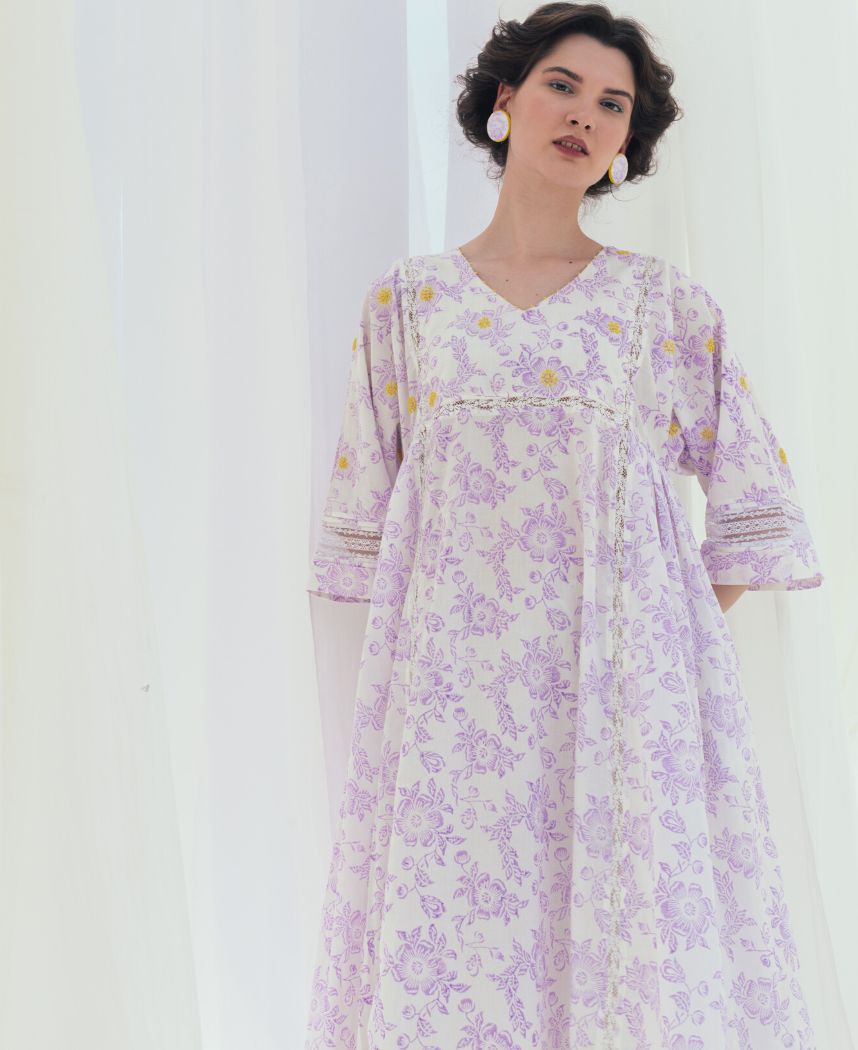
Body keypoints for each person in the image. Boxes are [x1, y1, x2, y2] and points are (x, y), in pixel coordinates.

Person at [304, 4, 825, 1047]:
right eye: (562, 86)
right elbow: (359, 538)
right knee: (460, 952)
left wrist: (655, 638)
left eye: (613, 104)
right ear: (505, 99)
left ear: (628, 140)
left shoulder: (661, 307)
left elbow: (756, 509)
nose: (585, 115)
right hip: (454, 706)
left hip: (617, 698)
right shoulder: (407, 307)